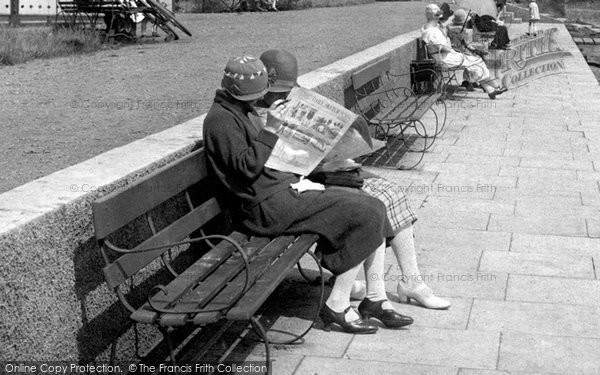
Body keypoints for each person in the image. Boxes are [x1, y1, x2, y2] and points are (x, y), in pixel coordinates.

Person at [203, 55, 414, 334]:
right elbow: (245, 169)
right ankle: (337, 305)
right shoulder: (220, 121)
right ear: (235, 91)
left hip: (279, 192)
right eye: (255, 96)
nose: (258, 101)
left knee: (373, 206)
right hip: (263, 210)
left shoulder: (237, 111)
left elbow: (256, 161)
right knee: (364, 213)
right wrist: (270, 130)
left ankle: (374, 299)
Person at [255, 49, 451, 310]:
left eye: (287, 90)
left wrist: (340, 148)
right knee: (373, 202)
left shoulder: (295, 98)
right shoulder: (257, 114)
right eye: (278, 91)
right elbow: (270, 161)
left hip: (328, 170)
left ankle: (412, 283)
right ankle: (375, 294)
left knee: (393, 192)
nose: (283, 96)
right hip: (306, 182)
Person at [421, 3, 507, 99]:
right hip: (445, 58)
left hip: (445, 56)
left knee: (475, 63)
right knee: (476, 61)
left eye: (439, 15)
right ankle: (496, 87)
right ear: (431, 16)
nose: (439, 17)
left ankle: (491, 90)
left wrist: (444, 32)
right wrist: (448, 42)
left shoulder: (430, 28)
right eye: (436, 15)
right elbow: (444, 48)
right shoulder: (432, 32)